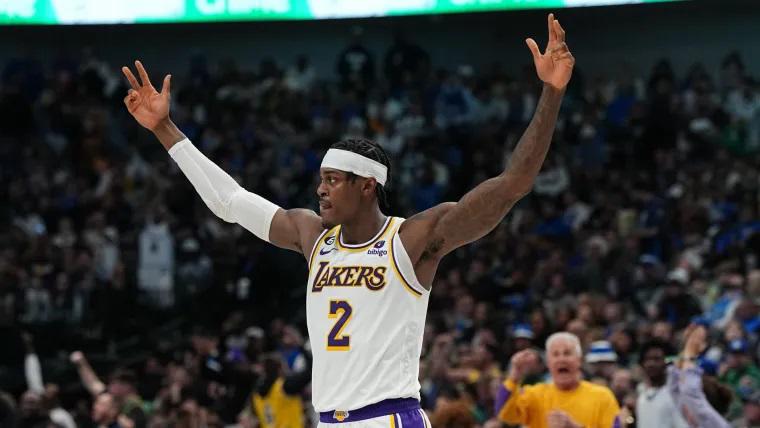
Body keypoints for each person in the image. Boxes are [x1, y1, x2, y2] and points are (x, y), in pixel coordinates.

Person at [121, 12, 574, 427]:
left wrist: (551, 93)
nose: (321, 189)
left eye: (333, 180)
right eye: (321, 179)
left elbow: (512, 184)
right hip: (328, 420)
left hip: (389, 417)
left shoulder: (412, 239)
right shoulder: (312, 235)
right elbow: (230, 201)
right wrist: (164, 129)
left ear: (367, 186)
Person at [495, 332, 620, 428]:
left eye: (567, 353)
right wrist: (514, 376)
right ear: (548, 363)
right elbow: (503, 414)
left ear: (579, 360)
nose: (561, 359)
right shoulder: (534, 395)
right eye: (555, 354)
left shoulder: (602, 397)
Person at [668, 325, 732, 428]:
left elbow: (690, 391)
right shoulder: (695, 421)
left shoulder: (716, 424)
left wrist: (691, 349)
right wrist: (685, 349)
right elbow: (674, 390)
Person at [636, 339, 689, 428]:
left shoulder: (677, 395)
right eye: (647, 359)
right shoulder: (641, 396)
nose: (651, 364)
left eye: (656, 359)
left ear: (668, 363)